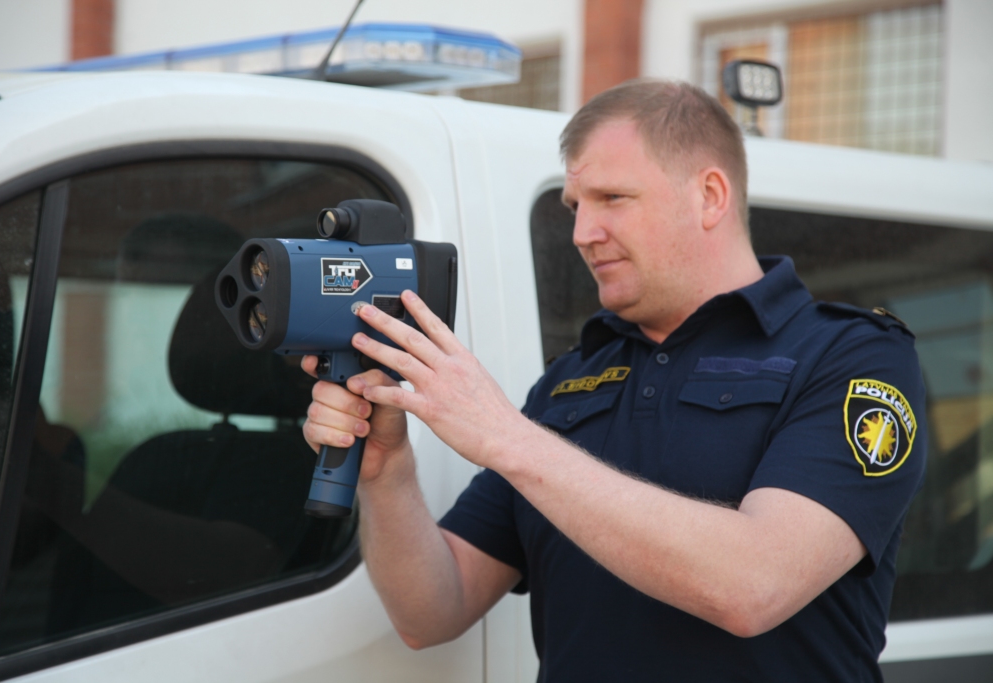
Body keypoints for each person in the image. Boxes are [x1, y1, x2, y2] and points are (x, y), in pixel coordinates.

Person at [301, 80, 926, 681]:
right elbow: (432, 610)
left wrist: (508, 439)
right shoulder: (573, 380)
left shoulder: (851, 355)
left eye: (613, 199)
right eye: (575, 206)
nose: (580, 233)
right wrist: (387, 468)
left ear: (710, 195)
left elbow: (754, 586)